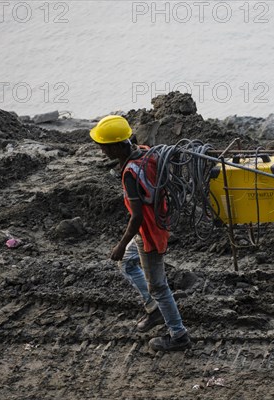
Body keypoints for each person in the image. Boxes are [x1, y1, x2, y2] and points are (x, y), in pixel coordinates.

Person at [90, 115, 191, 352]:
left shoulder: (129, 174)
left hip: (150, 233)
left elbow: (136, 218)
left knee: (158, 286)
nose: (101, 151)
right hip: (155, 223)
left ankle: (178, 335)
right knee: (127, 263)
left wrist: (121, 244)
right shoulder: (145, 152)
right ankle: (154, 310)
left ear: (116, 146)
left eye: (103, 147)